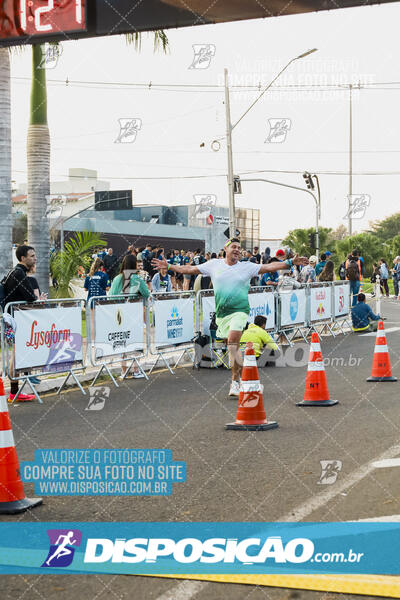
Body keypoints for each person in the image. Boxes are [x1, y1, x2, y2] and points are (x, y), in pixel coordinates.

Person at [152, 238, 308, 396]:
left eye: (239, 248)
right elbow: (190, 270)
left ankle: (235, 382)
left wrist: (289, 262)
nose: (237, 250)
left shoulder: (247, 266)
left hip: (240, 310)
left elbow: (269, 267)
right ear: (225, 249)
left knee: (233, 340)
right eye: (233, 247)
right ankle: (241, 380)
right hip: (222, 315)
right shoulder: (214, 264)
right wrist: (170, 266)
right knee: (232, 347)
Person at [2, 245, 47, 402]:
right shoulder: (19, 273)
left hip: (14, 319)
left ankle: (14, 391)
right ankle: (14, 392)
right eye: (32, 256)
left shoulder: (15, 272)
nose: (35, 258)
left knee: (16, 355)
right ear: (22, 258)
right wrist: (39, 299)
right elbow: (30, 296)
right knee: (16, 356)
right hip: (17, 320)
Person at [109, 254, 149, 379]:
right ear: (134, 265)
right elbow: (146, 294)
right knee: (134, 341)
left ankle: (123, 370)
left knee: (122, 342)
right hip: (133, 314)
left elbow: (110, 296)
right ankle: (136, 370)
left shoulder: (117, 279)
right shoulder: (137, 279)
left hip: (119, 315)